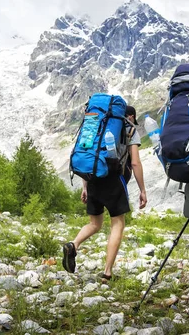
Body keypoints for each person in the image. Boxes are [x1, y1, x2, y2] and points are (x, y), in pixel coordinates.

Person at [62, 105, 148, 280]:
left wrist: (85, 187)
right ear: (130, 116)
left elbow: (89, 159)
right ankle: (107, 272)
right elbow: (136, 163)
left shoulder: (97, 127)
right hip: (114, 181)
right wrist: (142, 190)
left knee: (95, 224)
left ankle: (73, 244)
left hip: (93, 178)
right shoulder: (130, 129)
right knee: (117, 224)